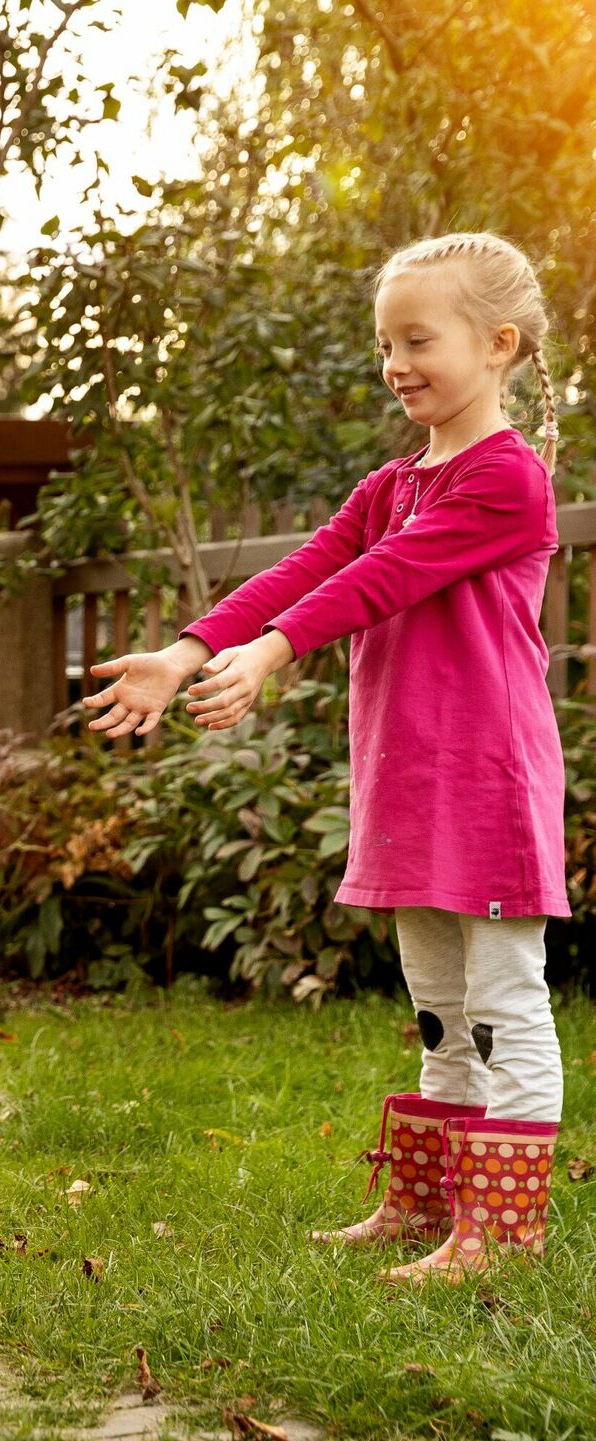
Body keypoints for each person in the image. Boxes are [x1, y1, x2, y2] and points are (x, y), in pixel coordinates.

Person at [84, 233, 565, 1282]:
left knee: (501, 1003)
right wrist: (184, 651)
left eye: (418, 339)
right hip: (408, 773)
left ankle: (503, 1233)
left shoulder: (506, 480)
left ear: (498, 343)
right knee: (437, 1000)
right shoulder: (393, 481)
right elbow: (311, 564)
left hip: (487, 780)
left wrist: (272, 653)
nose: (396, 362)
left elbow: (381, 581)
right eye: (385, 342)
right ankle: (429, 1204)